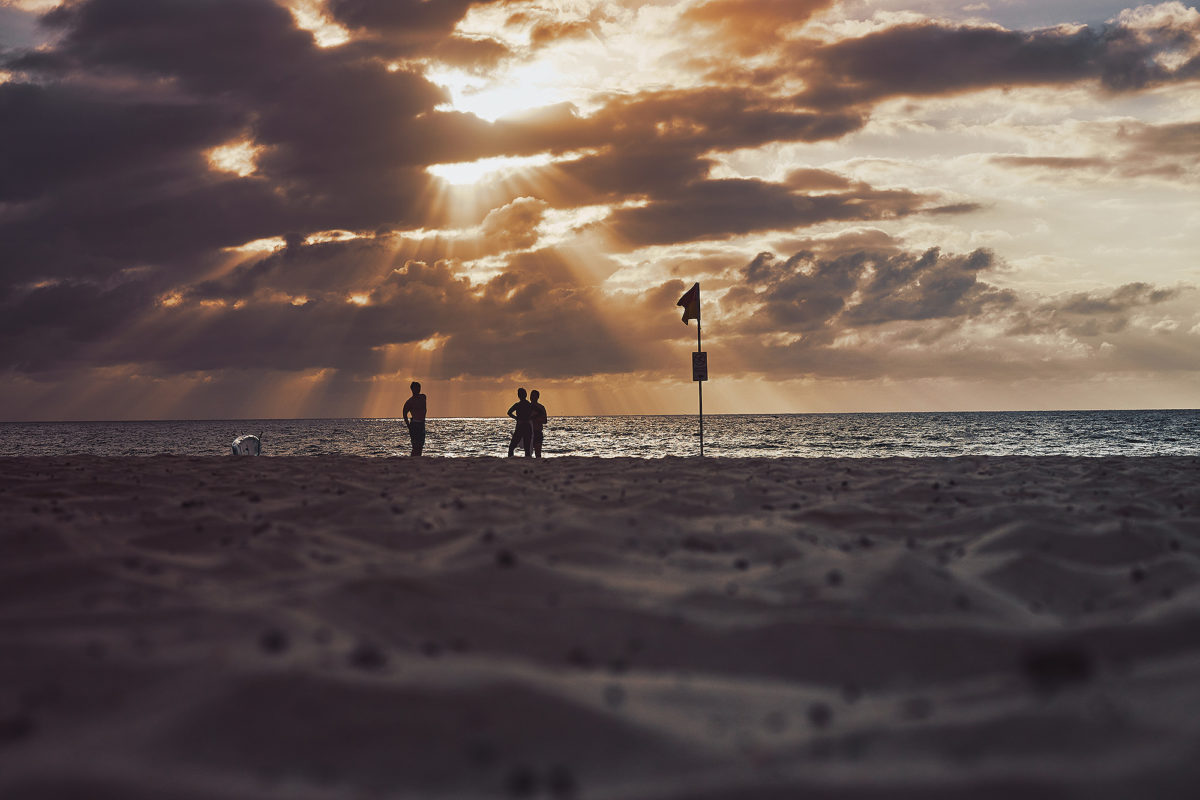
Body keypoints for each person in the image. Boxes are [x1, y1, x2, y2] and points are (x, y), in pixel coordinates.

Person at [506, 387, 533, 458]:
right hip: (527, 425)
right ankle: (527, 460)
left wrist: (516, 418)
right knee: (527, 447)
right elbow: (538, 412)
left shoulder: (518, 405)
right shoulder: (529, 404)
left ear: (519, 396)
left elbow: (509, 412)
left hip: (521, 426)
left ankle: (510, 458)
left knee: (512, 446)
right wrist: (530, 417)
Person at [402, 381, 427, 456]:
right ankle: (413, 458)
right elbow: (404, 413)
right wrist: (408, 425)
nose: (418, 390)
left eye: (419, 388)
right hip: (415, 424)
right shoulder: (410, 402)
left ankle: (418, 458)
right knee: (415, 445)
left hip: (422, 424)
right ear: (412, 389)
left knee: (421, 445)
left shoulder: (423, 397)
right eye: (416, 388)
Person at [529, 389, 548, 458]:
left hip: (537, 431)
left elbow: (545, 421)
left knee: (538, 453)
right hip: (528, 432)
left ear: (537, 397)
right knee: (528, 454)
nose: (532, 397)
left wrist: (536, 418)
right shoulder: (527, 407)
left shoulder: (541, 407)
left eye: (534, 396)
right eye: (531, 396)